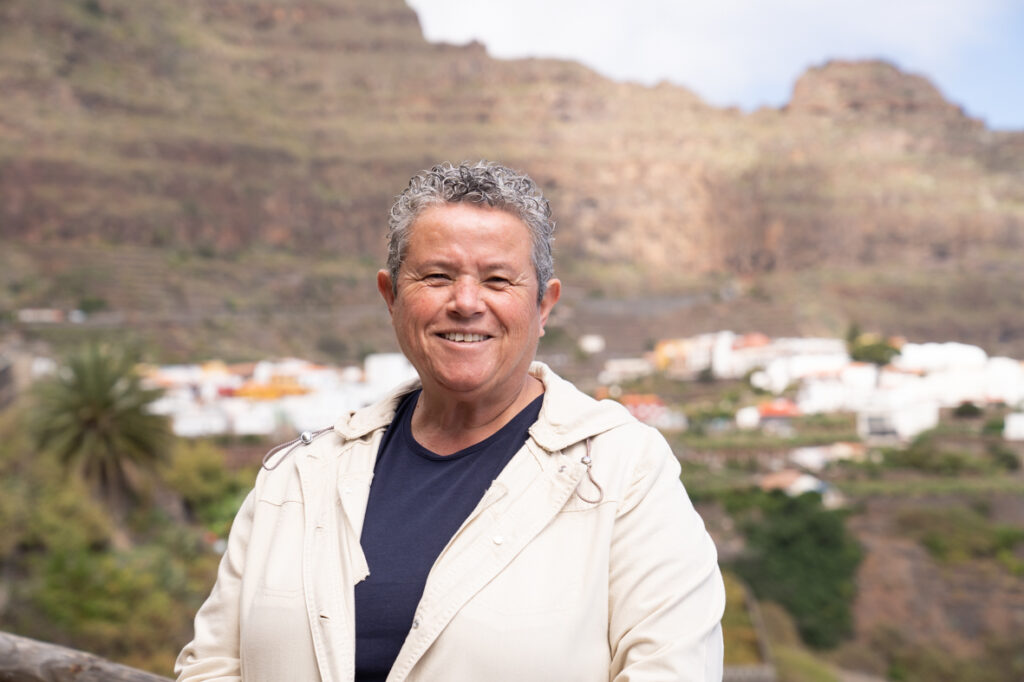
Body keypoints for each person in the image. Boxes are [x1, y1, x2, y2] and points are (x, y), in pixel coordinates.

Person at [175, 161, 725, 682]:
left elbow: (671, 669)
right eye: (437, 276)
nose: (465, 302)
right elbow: (213, 666)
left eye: (498, 280)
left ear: (543, 306)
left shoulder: (625, 471)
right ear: (391, 297)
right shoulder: (298, 477)